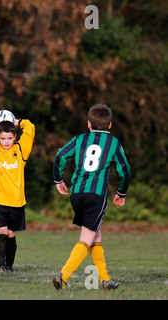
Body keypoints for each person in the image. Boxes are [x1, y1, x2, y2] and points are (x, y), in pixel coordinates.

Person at [52, 104, 130, 291]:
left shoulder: (79, 139)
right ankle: (63, 276)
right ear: (110, 125)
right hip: (96, 195)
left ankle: (105, 280)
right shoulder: (114, 144)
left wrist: (58, 179)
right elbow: (124, 170)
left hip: (76, 193)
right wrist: (121, 192)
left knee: (95, 233)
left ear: (89, 124)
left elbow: (61, 155)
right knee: (87, 236)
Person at [0, 112, 35, 273]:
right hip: (0, 200)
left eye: (10, 138)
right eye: (3, 138)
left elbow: (30, 128)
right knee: (2, 231)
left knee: (11, 234)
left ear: (15, 137)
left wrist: (19, 122)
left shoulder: (21, 150)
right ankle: (1, 266)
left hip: (17, 201)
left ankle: (9, 266)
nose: (6, 142)